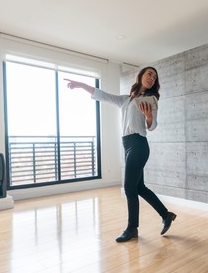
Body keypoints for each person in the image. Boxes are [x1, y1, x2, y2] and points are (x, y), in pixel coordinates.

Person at [66, 67, 176, 242]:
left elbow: (152, 125)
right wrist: (81, 85)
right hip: (127, 145)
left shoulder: (151, 99)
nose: (152, 78)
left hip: (139, 145)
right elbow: (102, 95)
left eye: (155, 77)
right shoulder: (126, 100)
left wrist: (148, 116)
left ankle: (132, 228)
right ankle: (166, 214)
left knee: (129, 188)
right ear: (140, 76)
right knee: (139, 188)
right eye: (149, 74)